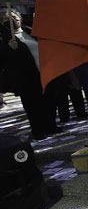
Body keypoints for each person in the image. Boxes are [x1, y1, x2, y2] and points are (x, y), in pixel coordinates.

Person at [0, 9, 62, 139]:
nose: (12, 21)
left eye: (14, 17)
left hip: (44, 73)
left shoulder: (30, 31)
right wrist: (9, 49)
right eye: (7, 19)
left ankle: (51, 125)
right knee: (33, 104)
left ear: (19, 18)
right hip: (26, 78)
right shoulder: (4, 39)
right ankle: (38, 130)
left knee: (49, 100)